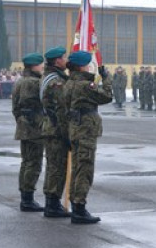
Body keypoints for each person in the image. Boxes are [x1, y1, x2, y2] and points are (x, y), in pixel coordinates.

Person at [61, 50, 114, 224]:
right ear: (82, 66)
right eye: (88, 63)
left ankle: (77, 206)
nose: (90, 66)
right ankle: (79, 208)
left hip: (75, 130)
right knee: (85, 170)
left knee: (78, 168)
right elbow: (106, 96)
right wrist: (106, 78)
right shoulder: (83, 86)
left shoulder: (70, 83)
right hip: (85, 131)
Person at [39, 46, 72, 218]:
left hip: (51, 128)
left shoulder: (51, 77)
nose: (66, 59)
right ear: (57, 61)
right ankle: (52, 204)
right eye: (64, 57)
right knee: (56, 167)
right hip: (56, 130)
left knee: (54, 166)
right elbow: (60, 111)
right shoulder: (56, 81)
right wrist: (67, 134)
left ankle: (52, 203)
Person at [12, 52, 46, 212]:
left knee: (26, 162)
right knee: (33, 163)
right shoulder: (34, 82)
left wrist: (21, 121)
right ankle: (27, 199)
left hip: (24, 127)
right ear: (34, 66)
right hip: (34, 128)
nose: (43, 67)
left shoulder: (20, 81)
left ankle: (25, 197)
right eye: (40, 64)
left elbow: (15, 108)